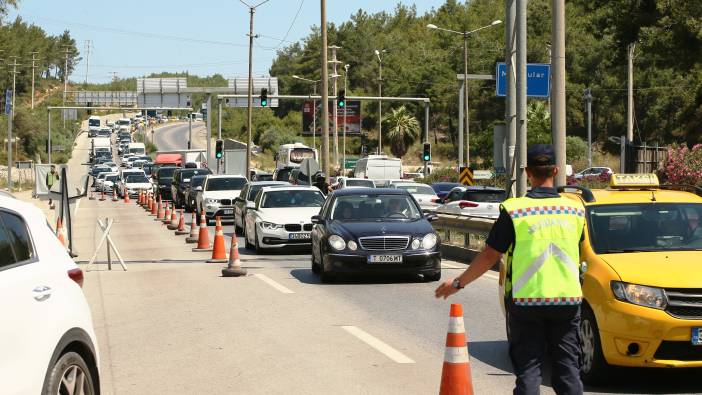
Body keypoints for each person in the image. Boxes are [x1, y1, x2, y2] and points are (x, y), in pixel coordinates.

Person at [435, 144, 586, 395]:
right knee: (568, 368)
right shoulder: (576, 209)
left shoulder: (515, 209)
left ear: (528, 172)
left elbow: (489, 255)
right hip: (567, 300)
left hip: (526, 301)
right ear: (556, 170)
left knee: (529, 370)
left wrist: (458, 283)